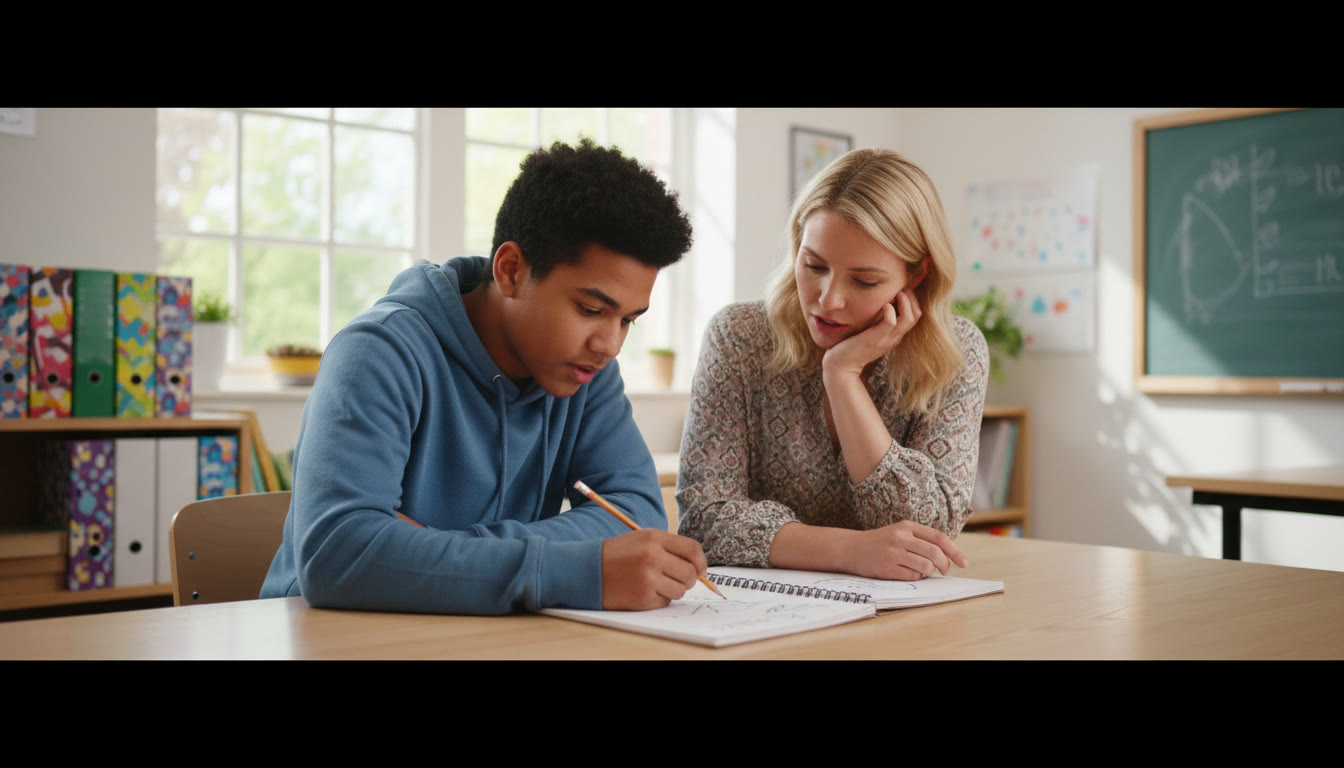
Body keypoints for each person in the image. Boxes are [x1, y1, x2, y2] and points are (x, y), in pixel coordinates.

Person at [261, 139, 709, 615]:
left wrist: (434, 552)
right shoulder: (377, 352)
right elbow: (340, 555)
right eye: (590, 309)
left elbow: (636, 515)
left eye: (627, 320)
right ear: (511, 270)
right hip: (331, 636)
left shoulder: (586, 372)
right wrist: (570, 568)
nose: (610, 345)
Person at [677, 148, 989, 582]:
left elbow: (928, 534)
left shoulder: (957, 354)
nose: (827, 300)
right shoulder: (738, 337)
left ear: (916, 276)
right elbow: (703, 520)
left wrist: (843, 377)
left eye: (864, 280)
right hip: (761, 616)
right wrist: (852, 550)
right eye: (814, 265)